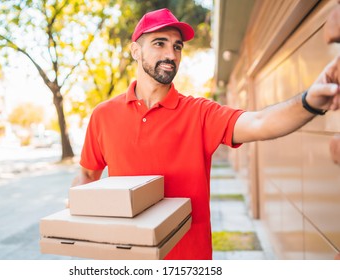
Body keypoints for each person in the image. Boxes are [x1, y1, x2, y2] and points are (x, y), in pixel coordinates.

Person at [72, 8, 340, 260]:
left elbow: (260, 122)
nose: (171, 54)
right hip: (126, 261)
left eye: (177, 46)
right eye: (159, 43)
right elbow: (87, 174)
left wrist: (310, 101)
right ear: (135, 51)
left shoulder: (199, 113)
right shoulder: (103, 115)